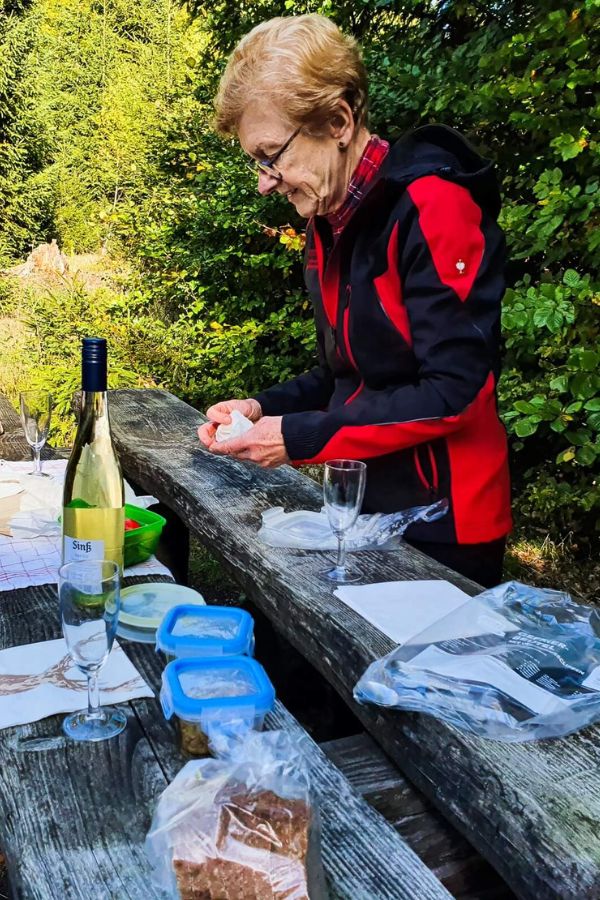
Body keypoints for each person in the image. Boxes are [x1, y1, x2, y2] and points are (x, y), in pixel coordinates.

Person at [198, 14, 511, 588]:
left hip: (448, 526)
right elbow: (343, 373)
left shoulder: (432, 207)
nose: (266, 181)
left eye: (272, 155)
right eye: (256, 161)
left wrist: (300, 437)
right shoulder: (326, 221)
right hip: (358, 505)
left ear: (338, 120)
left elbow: (455, 392)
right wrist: (259, 410)